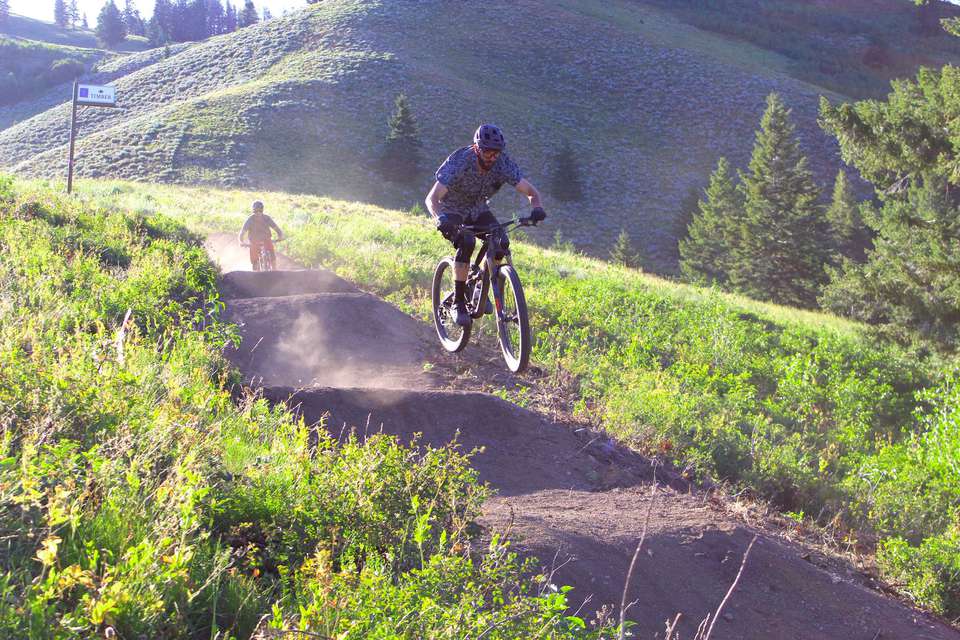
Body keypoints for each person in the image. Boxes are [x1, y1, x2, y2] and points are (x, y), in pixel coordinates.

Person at [425, 124, 547, 327]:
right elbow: (432, 198)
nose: (492, 157)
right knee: (467, 241)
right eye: (487, 152)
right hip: (451, 210)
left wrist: (537, 208)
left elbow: (531, 192)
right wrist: (440, 219)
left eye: (496, 153)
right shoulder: (461, 161)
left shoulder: (502, 164)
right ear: (476, 148)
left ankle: (479, 286)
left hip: (477, 209)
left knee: (501, 241)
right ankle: (458, 302)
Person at [238, 200, 284, 271]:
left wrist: (280, 236)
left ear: (262, 210)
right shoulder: (250, 220)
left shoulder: (267, 218)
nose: (258, 213)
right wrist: (241, 241)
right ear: (253, 211)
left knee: (272, 255)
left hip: (266, 239)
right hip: (254, 241)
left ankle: (275, 271)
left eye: (260, 211)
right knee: (254, 260)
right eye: (256, 211)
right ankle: (256, 273)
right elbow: (242, 232)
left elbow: (276, 228)